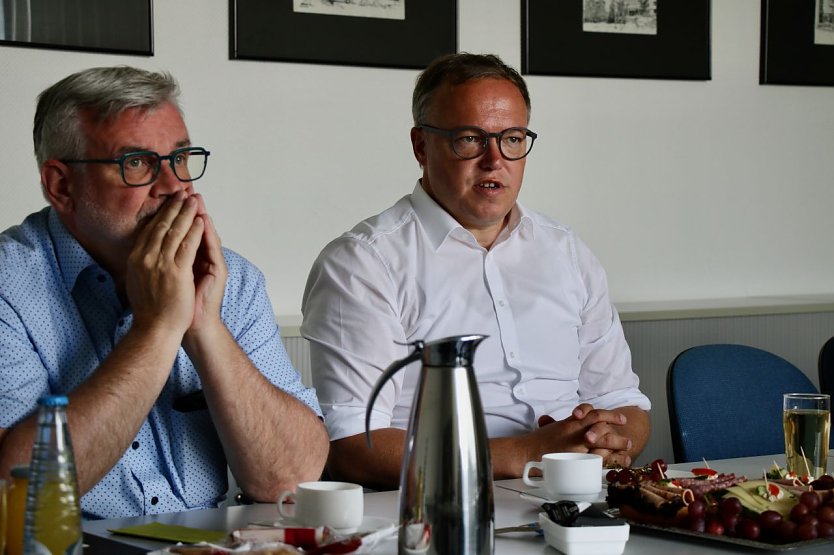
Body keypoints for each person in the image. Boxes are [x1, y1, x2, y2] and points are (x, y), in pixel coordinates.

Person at [301, 53, 651, 490]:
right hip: (437, 509)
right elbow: (353, 447)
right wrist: (523, 454)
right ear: (420, 146)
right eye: (470, 139)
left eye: (513, 138)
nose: (495, 159)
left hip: (578, 495)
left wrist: (611, 440)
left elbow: (624, 404)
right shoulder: (362, 263)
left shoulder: (567, 251)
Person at [0, 66, 328, 519]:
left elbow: (292, 479)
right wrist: (156, 330)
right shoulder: (8, 286)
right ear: (62, 186)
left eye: (180, 158)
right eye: (136, 163)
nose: (176, 186)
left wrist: (205, 327)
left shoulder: (232, 278)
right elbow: (17, 491)